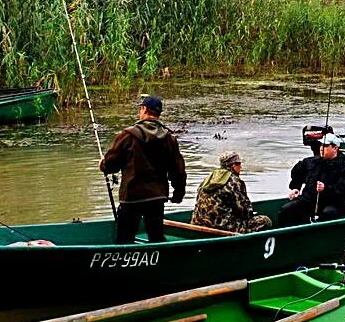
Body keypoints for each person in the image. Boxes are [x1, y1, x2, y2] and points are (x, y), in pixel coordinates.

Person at [100, 94, 187, 244]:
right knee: (156, 238)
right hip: (156, 197)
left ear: (144, 109)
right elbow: (178, 171)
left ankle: (125, 264)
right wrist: (178, 193)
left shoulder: (127, 135)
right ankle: (158, 263)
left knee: (124, 240)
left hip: (131, 196)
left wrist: (103, 165)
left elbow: (111, 164)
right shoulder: (169, 138)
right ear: (158, 113)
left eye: (140, 109)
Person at [278, 133, 345, 226]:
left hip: (331, 203)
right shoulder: (310, 162)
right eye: (321, 145)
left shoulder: (344, 168)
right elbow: (297, 173)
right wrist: (296, 188)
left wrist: (326, 188)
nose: (321, 148)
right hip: (308, 200)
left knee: (328, 214)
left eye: (326, 146)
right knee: (286, 210)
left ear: (335, 148)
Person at [191, 151, 272, 233]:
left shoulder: (209, 178)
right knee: (265, 221)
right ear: (233, 165)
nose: (241, 167)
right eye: (239, 164)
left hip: (198, 223)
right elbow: (245, 211)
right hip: (222, 227)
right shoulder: (235, 181)